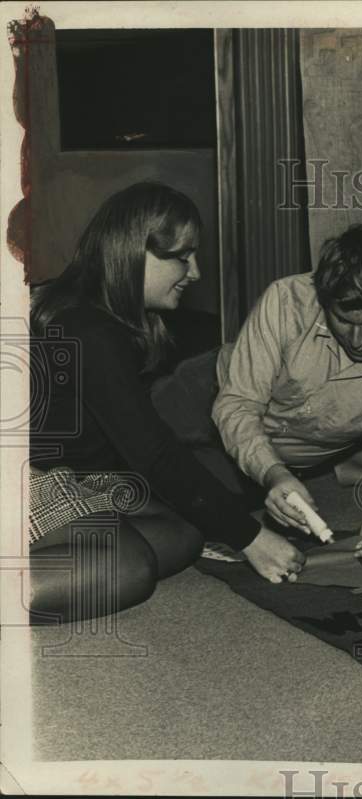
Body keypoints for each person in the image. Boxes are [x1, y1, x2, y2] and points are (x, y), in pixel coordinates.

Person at [29, 182, 302, 624]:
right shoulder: (89, 332)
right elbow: (153, 453)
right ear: (133, 253)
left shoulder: (109, 320)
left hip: (70, 475)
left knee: (181, 534)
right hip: (22, 478)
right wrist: (250, 537)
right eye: (181, 256)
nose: (193, 272)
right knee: (127, 567)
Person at [212, 223, 362, 562]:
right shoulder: (285, 302)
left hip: (293, 452)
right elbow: (237, 404)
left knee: (223, 508)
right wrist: (273, 473)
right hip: (208, 402)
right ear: (325, 299)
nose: (357, 339)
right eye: (343, 320)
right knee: (174, 495)